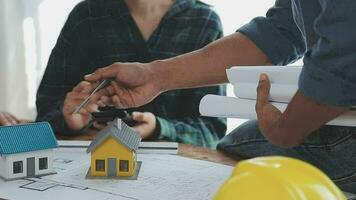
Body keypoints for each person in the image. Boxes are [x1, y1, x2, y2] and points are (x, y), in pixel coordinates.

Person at [83, 0, 356, 192]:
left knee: (240, 144)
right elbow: (280, 31)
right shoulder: (88, 15)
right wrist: (155, 76)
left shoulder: (201, 18)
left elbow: (345, 48)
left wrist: (287, 129)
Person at [36, 0, 226, 148]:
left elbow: (212, 131)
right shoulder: (86, 16)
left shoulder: (204, 21)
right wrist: (68, 119)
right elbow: (45, 113)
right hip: (92, 162)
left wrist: (159, 128)